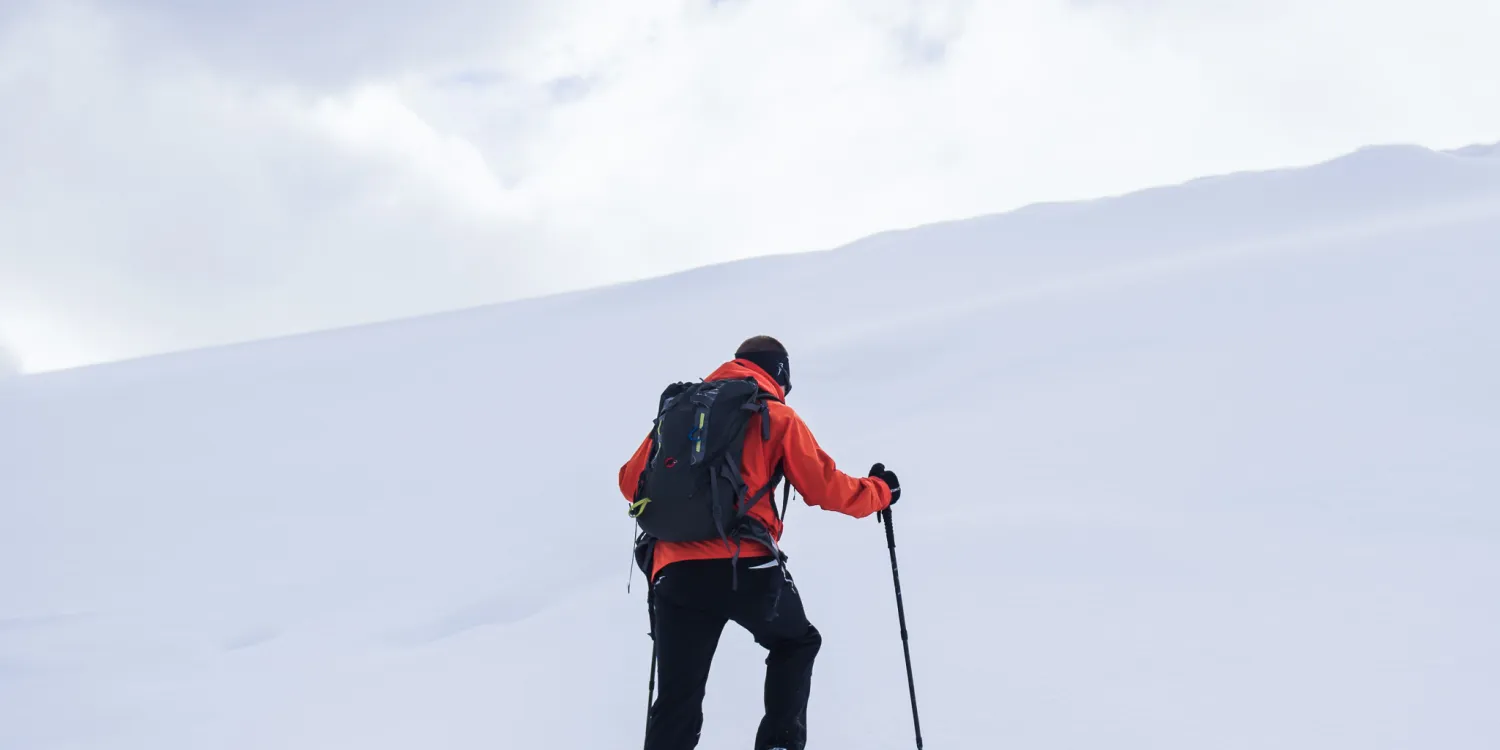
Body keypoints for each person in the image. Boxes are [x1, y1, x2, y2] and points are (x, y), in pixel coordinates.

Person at [618, 335, 901, 750]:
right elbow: (826, 489)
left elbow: (630, 482)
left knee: (678, 697)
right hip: (746, 566)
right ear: (779, 372)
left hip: (674, 573)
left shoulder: (678, 412)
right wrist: (880, 491)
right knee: (796, 643)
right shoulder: (774, 414)